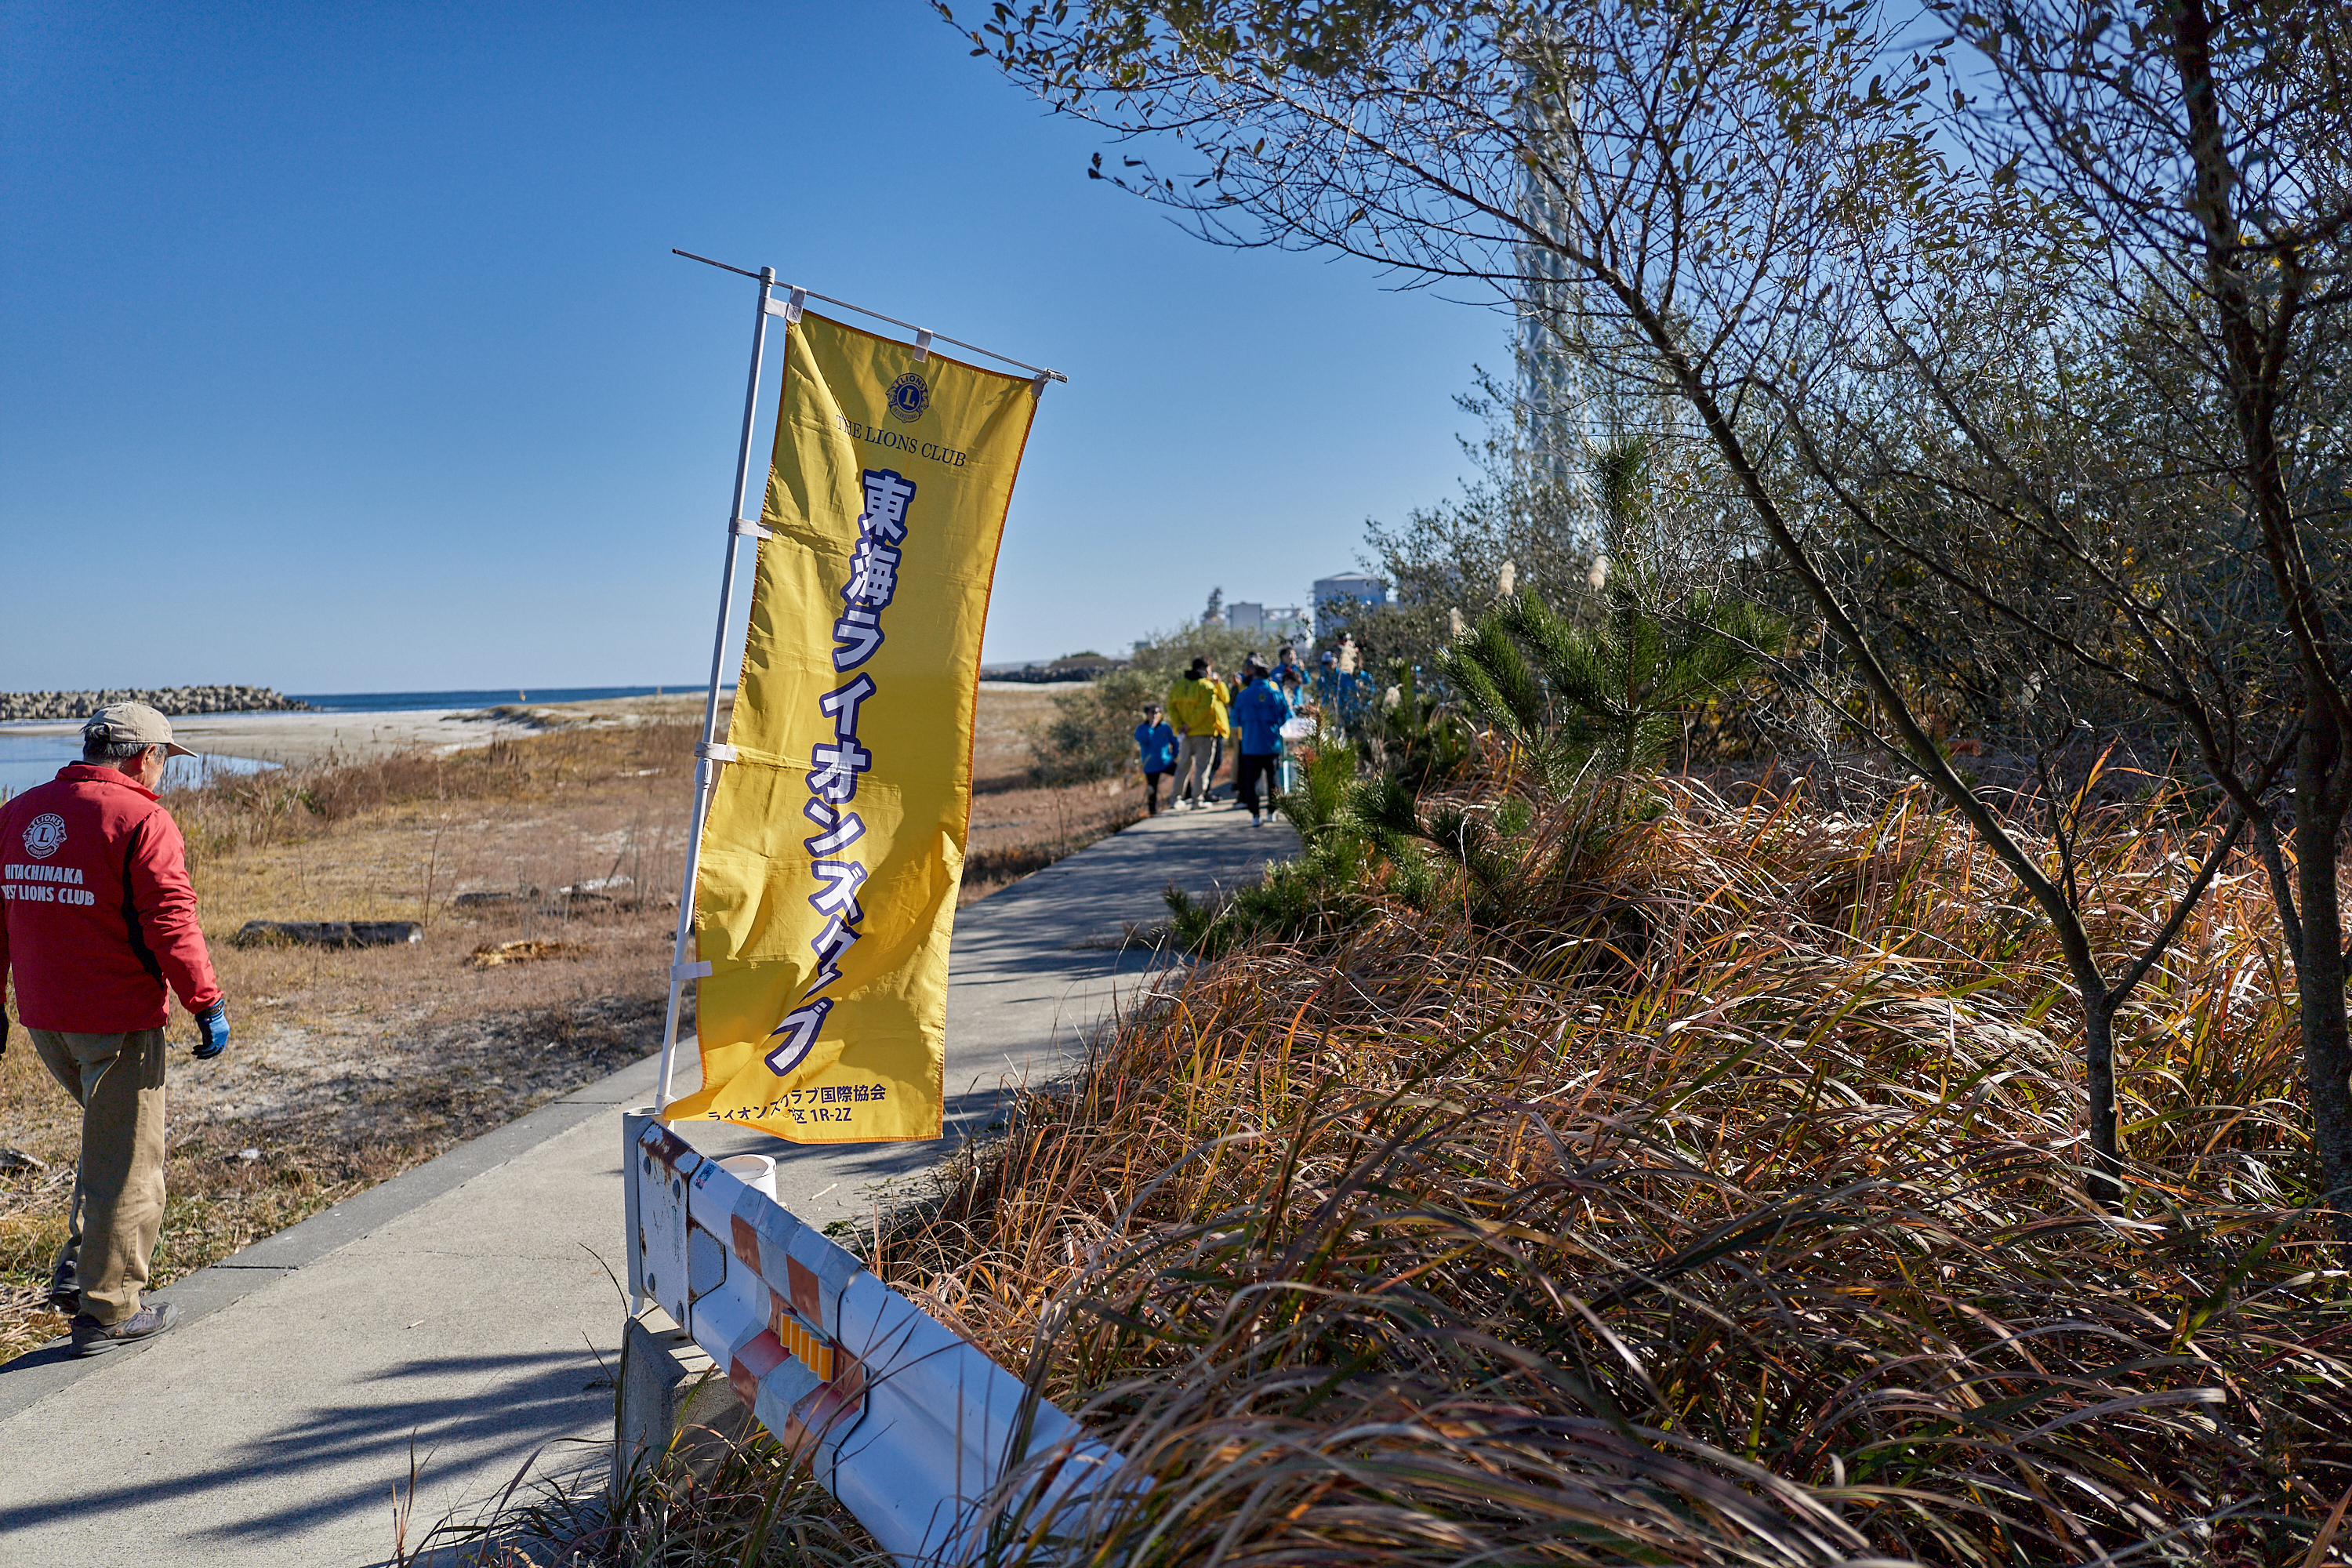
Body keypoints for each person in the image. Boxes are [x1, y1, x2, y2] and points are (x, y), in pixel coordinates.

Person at [1, 702, 229, 1355]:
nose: (164, 775)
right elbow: (170, 921)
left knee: (107, 1145)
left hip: (46, 1021)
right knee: (133, 1165)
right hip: (118, 1022)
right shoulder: (141, 819)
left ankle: (79, 1272)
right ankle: (109, 1310)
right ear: (145, 756)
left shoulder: (21, 812)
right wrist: (206, 1003)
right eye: (164, 761)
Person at [1228, 659, 1294, 825]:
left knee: (1252, 781)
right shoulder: (1275, 694)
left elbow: (1234, 720)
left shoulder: (1243, 695)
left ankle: (1255, 815)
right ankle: (1272, 811)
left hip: (1250, 745)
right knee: (1273, 779)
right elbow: (1287, 715)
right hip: (1271, 744)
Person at [1164, 657, 1230, 809]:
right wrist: (1190, 725)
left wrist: (1180, 725)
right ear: (1204, 669)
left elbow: (1171, 706)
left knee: (1183, 766)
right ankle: (1197, 800)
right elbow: (1205, 709)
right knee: (1202, 768)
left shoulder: (1178, 686)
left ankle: (1176, 799)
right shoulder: (1206, 686)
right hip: (1205, 733)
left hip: (1185, 735)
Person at [1132, 704, 1178, 815]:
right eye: (1152, 713)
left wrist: (1174, 755)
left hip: (1166, 762)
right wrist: (1151, 726)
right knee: (1152, 790)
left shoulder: (1165, 727)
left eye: (1158, 712)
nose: (1155, 715)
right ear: (1147, 714)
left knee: (1181, 774)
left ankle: (1187, 798)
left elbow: (1174, 742)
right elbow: (1143, 739)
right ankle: (1152, 812)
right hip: (1151, 766)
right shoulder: (1142, 729)